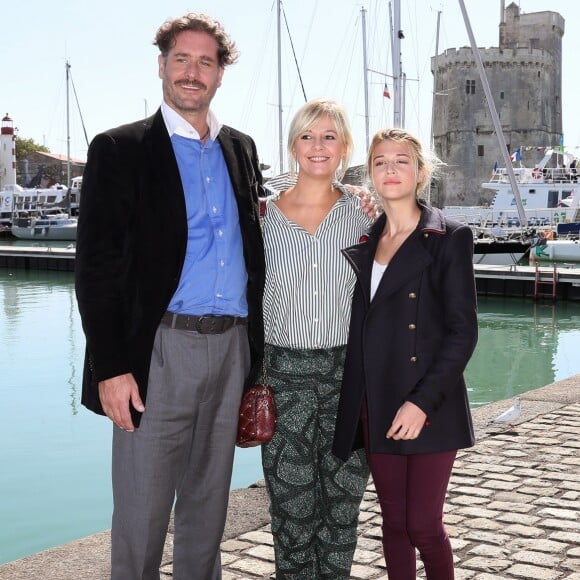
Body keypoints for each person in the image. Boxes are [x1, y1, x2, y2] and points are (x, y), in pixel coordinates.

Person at [75, 13, 265, 580]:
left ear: (220, 75)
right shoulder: (120, 148)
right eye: (181, 59)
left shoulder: (241, 149)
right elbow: (97, 267)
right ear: (161, 66)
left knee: (209, 510)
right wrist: (111, 368)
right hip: (158, 353)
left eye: (206, 62)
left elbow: (259, 233)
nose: (192, 72)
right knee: (142, 515)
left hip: (231, 349)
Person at [333, 128, 478, 580]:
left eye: (401, 160)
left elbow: (463, 333)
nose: (390, 169)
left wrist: (420, 403)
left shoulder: (449, 236)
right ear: (370, 173)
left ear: (420, 172)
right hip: (376, 403)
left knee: (424, 526)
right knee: (394, 523)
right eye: (380, 161)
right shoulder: (365, 240)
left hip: (429, 405)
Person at [260, 98, 372, 579]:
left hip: (349, 376)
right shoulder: (260, 214)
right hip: (281, 376)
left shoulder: (365, 215)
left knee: (342, 510)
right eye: (308, 135)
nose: (318, 146)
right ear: (292, 145)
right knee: (292, 510)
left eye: (329, 136)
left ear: (344, 147)